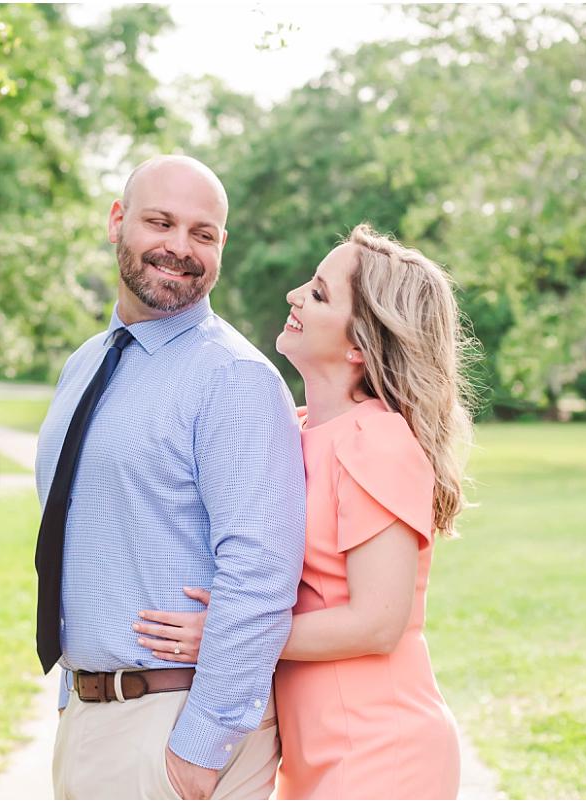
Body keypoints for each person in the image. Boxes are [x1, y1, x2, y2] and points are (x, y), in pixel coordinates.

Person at [135, 223, 473, 799]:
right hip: (311, 753)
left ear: (360, 344)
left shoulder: (377, 441)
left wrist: (228, 637)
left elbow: (377, 622)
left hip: (380, 752)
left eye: (318, 293)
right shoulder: (292, 430)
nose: (294, 295)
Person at [35, 154, 307, 800]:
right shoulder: (86, 365)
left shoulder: (232, 377)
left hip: (174, 728)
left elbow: (262, 572)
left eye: (203, 233)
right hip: (91, 717)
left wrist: (197, 749)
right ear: (116, 222)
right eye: (160, 222)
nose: (179, 248)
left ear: (222, 246)